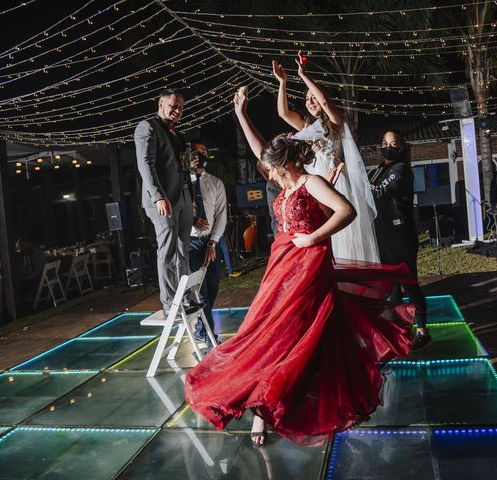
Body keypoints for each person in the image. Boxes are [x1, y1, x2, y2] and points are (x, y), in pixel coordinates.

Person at [184, 89, 416, 448]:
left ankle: (266, 410)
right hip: (282, 265)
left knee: (293, 333)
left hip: (309, 265)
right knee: (267, 330)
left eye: (274, 171)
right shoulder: (290, 187)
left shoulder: (311, 181)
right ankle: (266, 403)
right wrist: (242, 116)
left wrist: (313, 239)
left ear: (288, 165)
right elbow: (268, 157)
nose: (271, 177)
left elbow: (347, 212)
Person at [272, 52, 380, 263]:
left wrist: (303, 75)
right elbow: (283, 113)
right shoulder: (305, 126)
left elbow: (324, 100)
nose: (311, 102)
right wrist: (282, 82)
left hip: (335, 184)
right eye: (307, 99)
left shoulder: (335, 120)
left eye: (314, 98)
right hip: (314, 184)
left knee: (341, 238)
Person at [368, 131, 430, 351]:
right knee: (391, 286)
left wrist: (356, 177)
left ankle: (422, 330)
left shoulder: (401, 169)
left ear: (402, 147)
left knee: (408, 283)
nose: (388, 147)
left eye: (393, 143)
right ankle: (400, 329)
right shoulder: (377, 170)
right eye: (385, 143)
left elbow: (379, 192)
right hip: (382, 234)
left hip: (400, 234)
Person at [135, 89, 193, 317]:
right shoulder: (147, 127)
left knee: (182, 252)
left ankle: (184, 298)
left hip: (183, 198)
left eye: (181, 107)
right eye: (173, 105)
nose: (178, 110)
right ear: (161, 104)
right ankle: (170, 304)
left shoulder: (176, 132)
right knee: (168, 253)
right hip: (162, 200)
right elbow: (145, 165)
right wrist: (158, 196)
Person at [188, 142, 227, 347]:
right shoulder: (182, 182)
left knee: (213, 289)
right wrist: (191, 219)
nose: (199, 155)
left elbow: (222, 216)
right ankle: (210, 337)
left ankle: (201, 330)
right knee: (201, 292)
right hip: (191, 243)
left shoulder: (216, 183)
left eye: (203, 151)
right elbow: (176, 213)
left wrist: (213, 242)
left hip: (211, 243)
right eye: (195, 152)